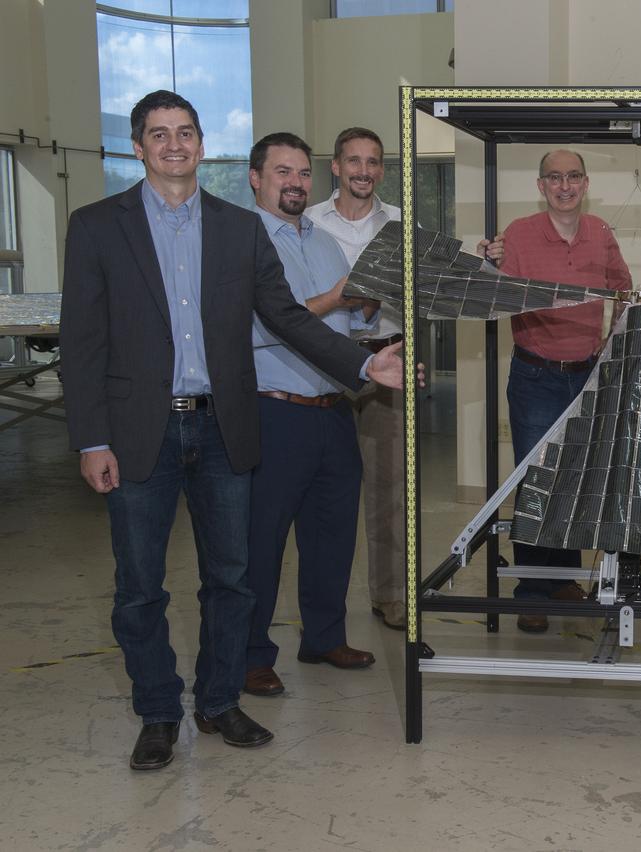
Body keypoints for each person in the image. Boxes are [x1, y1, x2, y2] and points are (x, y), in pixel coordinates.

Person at [61, 91, 405, 772]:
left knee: (232, 579)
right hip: (139, 433)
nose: (173, 144)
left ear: (200, 142)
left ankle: (219, 702)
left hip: (226, 428)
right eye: (157, 134)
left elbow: (287, 317)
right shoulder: (98, 225)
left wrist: (364, 363)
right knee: (140, 588)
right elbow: (83, 341)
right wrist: (90, 438)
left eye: (185, 131)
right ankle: (158, 713)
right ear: (138, 147)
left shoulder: (237, 229)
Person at [242, 132, 382, 697]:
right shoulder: (243, 242)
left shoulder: (324, 242)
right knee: (262, 541)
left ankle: (323, 637)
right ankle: (251, 654)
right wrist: (337, 297)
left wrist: (365, 307)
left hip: (333, 409)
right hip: (275, 412)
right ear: (256, 178)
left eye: (302, 173)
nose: (296, 182)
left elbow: (346, 327)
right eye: (283, 173)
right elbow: (264, 325)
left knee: (332, 535)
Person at [477, 149, 631, 632]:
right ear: (541, 186)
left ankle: (565, 577)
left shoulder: (601, 233)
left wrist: (608, 346)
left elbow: (623, 292)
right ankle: (531, 588)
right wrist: (485, 263)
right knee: (537, 480)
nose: (564, 186)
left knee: (579, 479)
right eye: (554, 178)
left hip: (587, 375)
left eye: (573, 177)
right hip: (536, 377)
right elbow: (489, 294)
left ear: (584, 183)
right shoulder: (518, 235)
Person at [306, 127, 407, 631]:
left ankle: (391, 596)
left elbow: (425, 290)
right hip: (320, 362)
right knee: (324, 491)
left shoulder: (402, 225)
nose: (363, 171)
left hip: (385, 360)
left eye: (373, 162)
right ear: (336, 167)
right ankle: (324, 609)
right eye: (354, 161)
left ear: (382, 170)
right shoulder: (306, 223)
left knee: (389, 487)